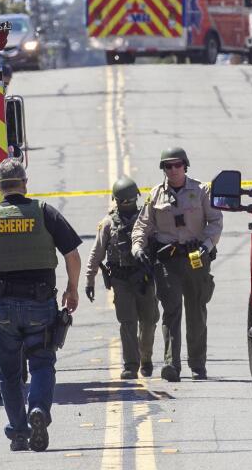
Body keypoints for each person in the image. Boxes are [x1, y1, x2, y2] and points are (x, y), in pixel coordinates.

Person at [0, 158, 82, 452]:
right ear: (25, 183)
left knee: (9, 374)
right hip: (40, 304)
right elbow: (72, 255)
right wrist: (71, 289)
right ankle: (38, 408)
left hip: (2, 308)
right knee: (42, 364)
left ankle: (19, 432)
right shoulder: (45, 213)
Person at [131, 148, 223, 382]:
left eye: (177, 165)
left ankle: (197, 364)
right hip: (168, 261)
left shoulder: (201, 191)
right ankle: (172, 364)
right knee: (171, 312)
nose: (173, 170)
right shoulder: (155, 195)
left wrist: (207, 245)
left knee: (196, 311)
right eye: (167, 166)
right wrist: (137, 248)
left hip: (195, 259)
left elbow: (215, 221)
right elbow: (142, 226)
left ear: (185, 165)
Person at [84, 176, 160, 380]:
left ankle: (146, 358)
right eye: (123, 201)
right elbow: (97, 252)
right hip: (121, 280)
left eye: (129, 200)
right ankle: (131, 364)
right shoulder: (108, 223)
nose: (127, 204)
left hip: (144, 279)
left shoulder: (147, 221)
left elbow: (158, 246)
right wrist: (89, 279)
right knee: (127, 322)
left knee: (149, 320)